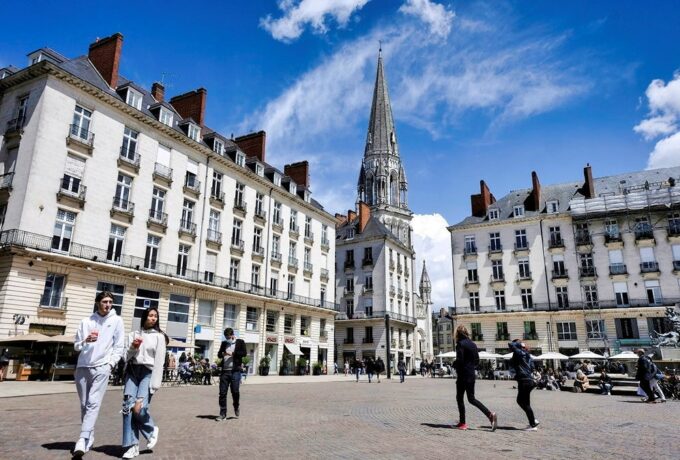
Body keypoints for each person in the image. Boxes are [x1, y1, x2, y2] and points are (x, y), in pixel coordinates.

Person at [73, 291, 125, 457]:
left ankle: (82, 438)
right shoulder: (86, 321)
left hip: (102, 367)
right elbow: (76, 346)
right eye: (104, 301)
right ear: (98, 303)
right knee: (84, 404)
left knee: (93, 403)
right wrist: (84, 341)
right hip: (82, 366)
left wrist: (110, 364)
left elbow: (119, 346)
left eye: (110, 302)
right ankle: (89, 436)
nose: (108, 305)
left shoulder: (117, 321)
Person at [121, 306, 167, 459]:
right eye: (151, 315)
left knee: (139, 409)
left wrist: (155, 385)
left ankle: (151, 430)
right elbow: (125, 358)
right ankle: (132, 446)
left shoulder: (159, 337)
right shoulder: (133, 334)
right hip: (132, 371)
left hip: (148, 372)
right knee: (128, 408)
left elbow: (159, 362)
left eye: (155, 316)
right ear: (144, 317)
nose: (153, 318)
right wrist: (133, 348)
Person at [451, 325, 496, 431]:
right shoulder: (473, 344)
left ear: (457, 334)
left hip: (463, 375)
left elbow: (460, 360)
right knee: (472, 398)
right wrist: (470, 367)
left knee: (459, 398)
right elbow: (477, 361)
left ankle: (463, 423)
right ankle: (490, 415)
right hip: (471, 374)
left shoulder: (460, 344)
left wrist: (454, 364)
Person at [508, 340, 539, 431]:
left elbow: (511, 344)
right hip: (529, 381)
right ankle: (532, 420)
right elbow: (532, 367)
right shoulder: (528, 355)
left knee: (520, 401)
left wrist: (519, 342)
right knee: (526, 403)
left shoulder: (518, 352)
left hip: (524, 381)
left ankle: (533, 424)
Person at [217, 328, 246, 420]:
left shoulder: (240, 342)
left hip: (235, 371)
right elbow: (219, 354)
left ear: (233, 335)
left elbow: (244, 353)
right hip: (225, 371)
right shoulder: (224, 343)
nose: (227, 338)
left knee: (235, 391)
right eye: (226, 337)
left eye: (229, 337)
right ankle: (222, 414)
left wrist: (233, 354)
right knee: (222, 393)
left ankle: (236, 406)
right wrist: (223, 354)